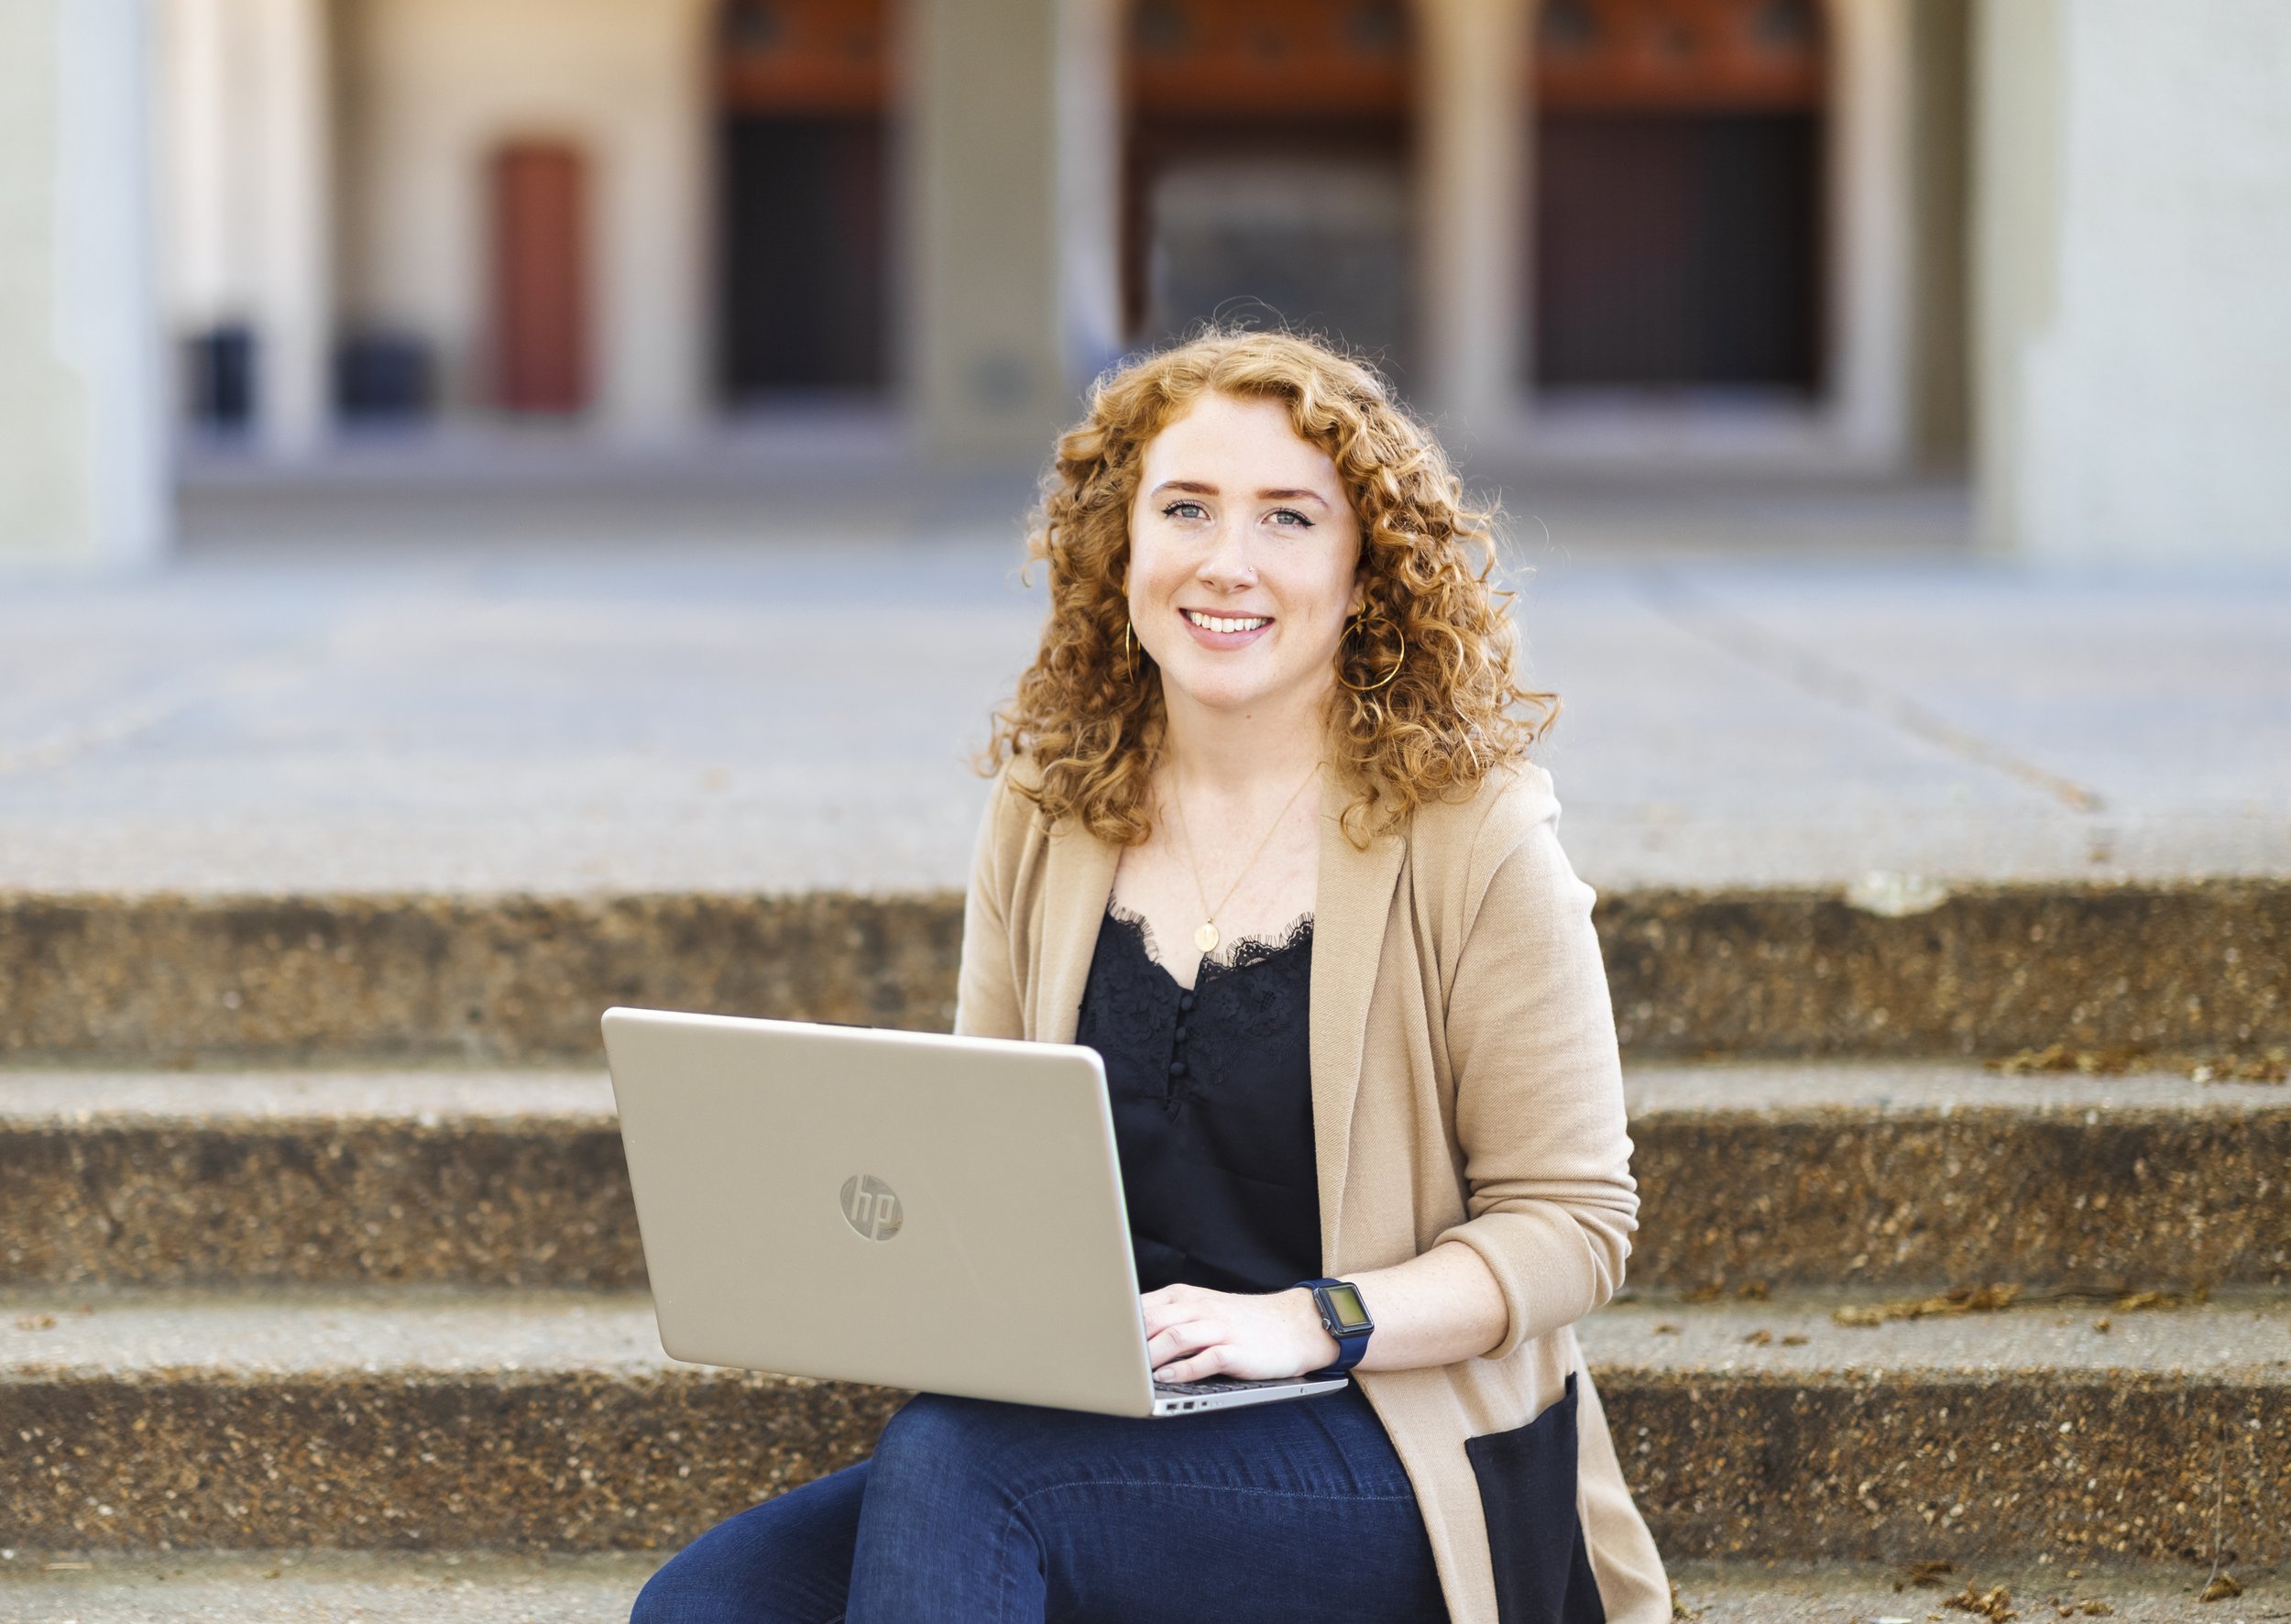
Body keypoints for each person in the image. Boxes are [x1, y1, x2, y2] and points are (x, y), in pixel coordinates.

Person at [631, 330, 1671, 1623]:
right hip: (1108, 1417)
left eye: (1289, 518)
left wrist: (1314, 1320)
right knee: (711, 1604)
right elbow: (980, 1162)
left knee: (967, 1473)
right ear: (1121, 546)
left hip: (1388, 1437)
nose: (1227, 562)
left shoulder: (1476, 835)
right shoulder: (1049, 808)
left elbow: (1574, 1223)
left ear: (1364, 574)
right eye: (1186, 508)